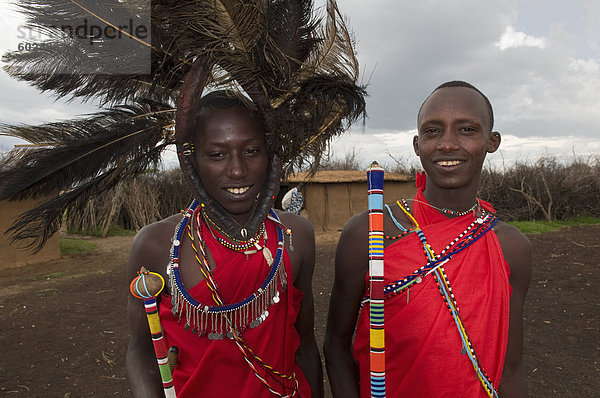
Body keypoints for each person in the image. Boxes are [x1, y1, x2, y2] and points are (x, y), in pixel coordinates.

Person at [324, 81, 532, 397]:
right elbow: (336, 347)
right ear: (417, 144)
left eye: (466, 130)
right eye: (433, 131)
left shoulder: (511, 247)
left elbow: (511, 367)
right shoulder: (369, 233)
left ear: (492, 141)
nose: (447, 144)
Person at [126, 91, 323, 397]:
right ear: (192, 160)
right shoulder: (156, 244)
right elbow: (141, 350)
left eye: (252, 150)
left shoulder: (295, 235)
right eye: (217, 154)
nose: (237, 170)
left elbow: (305, 342)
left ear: (270, 155)